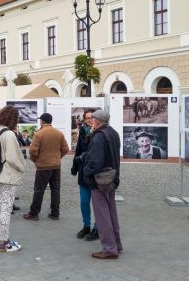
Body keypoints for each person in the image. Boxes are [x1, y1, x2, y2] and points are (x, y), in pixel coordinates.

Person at [83, 109, 123, 259]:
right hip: (111, 178)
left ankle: (109, 249)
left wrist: (86, 171)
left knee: (102, 216)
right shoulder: (113, 132)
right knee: (111, 213)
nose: (91, 121)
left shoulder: (99, 136)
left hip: (100, 180)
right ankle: (116, 245)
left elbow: (96, 162)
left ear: (98, 121)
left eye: (93, 119)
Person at [23, 112, 69, 221]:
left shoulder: (39, 134)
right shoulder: (59, 133)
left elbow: (33, 151)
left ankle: (34, 213)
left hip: (43, 166)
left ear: (42, 121)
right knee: (55, 189)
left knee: (39, 190)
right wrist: (57, 157)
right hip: (56, 165)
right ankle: (55, 213)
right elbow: (66, 149)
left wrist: (36, 161)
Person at [0, 106, 26, 252]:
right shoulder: (9, 134)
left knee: (1, 207)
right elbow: (13, 158)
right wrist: (22, 167)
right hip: (8, 175)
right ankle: (4, 242)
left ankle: (1, 238)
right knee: (6, 208)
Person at [71, 108, 98, 241]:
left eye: (92, 117)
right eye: (88, 118)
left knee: (98, 203)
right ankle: (86, 225)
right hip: (83, 171)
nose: (90, 120)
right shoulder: (82, 130)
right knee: (84, 202)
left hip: (96, 173)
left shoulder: (100, 132)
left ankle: (97, 228)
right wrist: (74, 167)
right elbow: (79, 150)